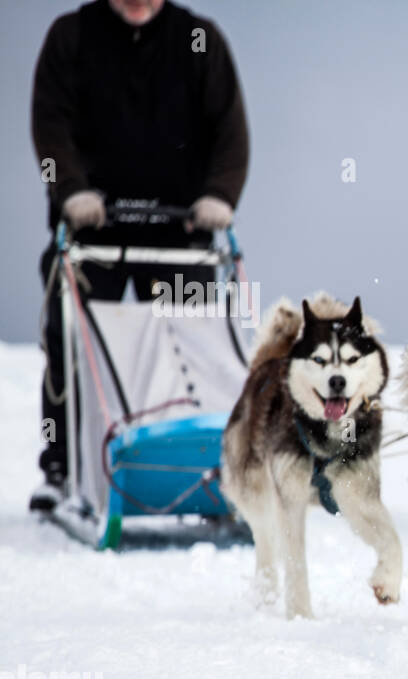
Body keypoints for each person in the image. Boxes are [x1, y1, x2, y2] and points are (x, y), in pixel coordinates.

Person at [30, 0, 250, 511]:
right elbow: (50, 129)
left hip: (181, 234)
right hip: (91, 233)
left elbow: (230, 131)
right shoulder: (71, 37)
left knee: (194, 346)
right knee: (69, 336)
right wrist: (70, 191)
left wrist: (220, 194)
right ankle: (62, 467)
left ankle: (198, 466)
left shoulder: (200, 40)